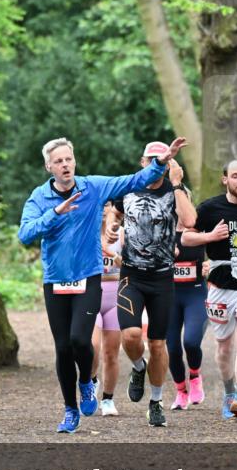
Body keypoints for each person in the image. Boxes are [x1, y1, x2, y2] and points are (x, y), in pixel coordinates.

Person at [18, 136, 184, 434]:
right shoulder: (40, 197)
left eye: (68, 159)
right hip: (55, 280)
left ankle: (86, 381)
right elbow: (26, 233)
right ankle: (70, 410)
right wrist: (55, 214)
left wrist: (162, 161)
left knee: (81, 341)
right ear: (48, 167)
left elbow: (134, 179)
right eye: (58, 161)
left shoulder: (92, 187)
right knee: (62, 349)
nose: (65, 164)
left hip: (88, 276)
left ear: (75, 161)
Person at [182, 160, 237, 419]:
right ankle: (229, 392)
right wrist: (209, 237)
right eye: (235, 176)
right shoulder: (210, 208)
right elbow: (187, 237)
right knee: (223, 346)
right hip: (220, 285)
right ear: (225, 180)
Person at [114, 142, 196, 427]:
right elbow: (112, 211)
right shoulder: (126, 188)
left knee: (158, 345)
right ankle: (138, 367)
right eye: (152, 159)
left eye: (163, 159)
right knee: (131, 336)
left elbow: (190, 220)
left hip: (162, 277)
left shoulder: (175, 191)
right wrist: (113, 229)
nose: (157, 163)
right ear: (142, 161)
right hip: (131, 275)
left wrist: (176, 184)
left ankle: (156, 401)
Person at [166, 187, 210, 410]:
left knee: (191, 341)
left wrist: (211, 264)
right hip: (169, 296)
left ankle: (195, 375)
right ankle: (181, 391)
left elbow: (218, 249)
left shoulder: (199, 226)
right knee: (172, 348)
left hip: (195, 292)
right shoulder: (163, 227)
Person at [92, 203, 123, 416]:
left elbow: (131, 264)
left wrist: (114, 258)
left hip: (116, 296)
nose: (103, 209)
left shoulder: (122, 234)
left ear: (113, 209)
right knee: (92, 348)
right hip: (92, 294)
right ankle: (91, 380)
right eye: (99, 204)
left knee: (111, 352)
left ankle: (108, 399)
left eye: (107, 205)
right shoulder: (87, 231)